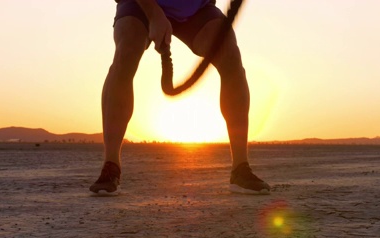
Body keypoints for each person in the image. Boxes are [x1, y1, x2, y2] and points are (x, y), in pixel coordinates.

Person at [90, 0, 270, 195]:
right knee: (126, 52)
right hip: (139, 5)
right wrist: (154, 14)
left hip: (194, 8)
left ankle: (240, 168)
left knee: (230, 56)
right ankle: (111, 165)